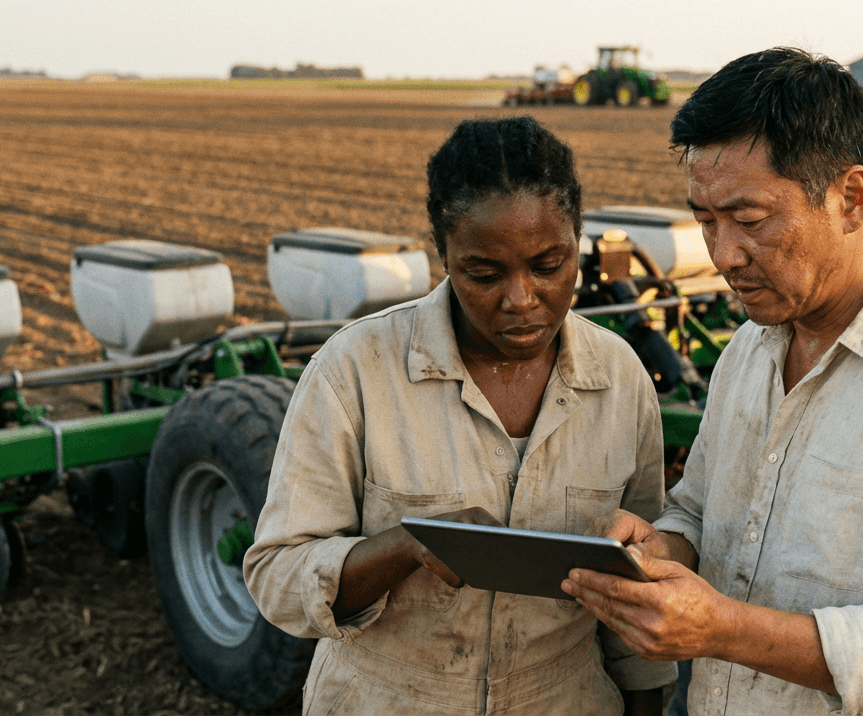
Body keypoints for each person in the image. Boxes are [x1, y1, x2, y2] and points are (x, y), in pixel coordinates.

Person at [562, 48, 863, 715]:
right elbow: (702, 511)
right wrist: (658, 546)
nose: (724, 255)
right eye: (706, 222)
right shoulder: (749, 351)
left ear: (851, 198)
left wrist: (725, 629)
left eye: (750, 221)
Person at [244, 116, 675, 715]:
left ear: (578, 241)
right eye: (484, 274)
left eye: (549, 266)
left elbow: (641, 584)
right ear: (443, 255)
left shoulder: (620, 378)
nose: (521, 299)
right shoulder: (356, 370)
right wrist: (406, 546)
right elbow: (277, 574)